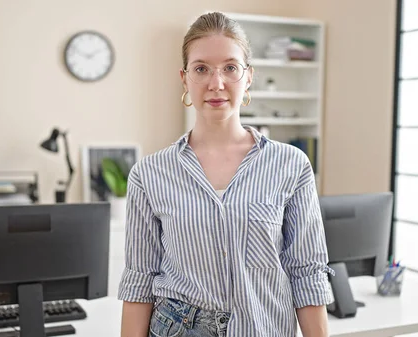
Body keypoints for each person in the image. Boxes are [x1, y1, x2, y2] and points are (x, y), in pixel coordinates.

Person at [118, 11, 334, 337]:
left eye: (230, 68)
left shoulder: (292, 165)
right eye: (201, 68)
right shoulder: (149, 175)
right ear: (184, 77)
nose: (216, 84)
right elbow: (140, 280)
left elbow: (306, 272)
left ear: (248, 77)